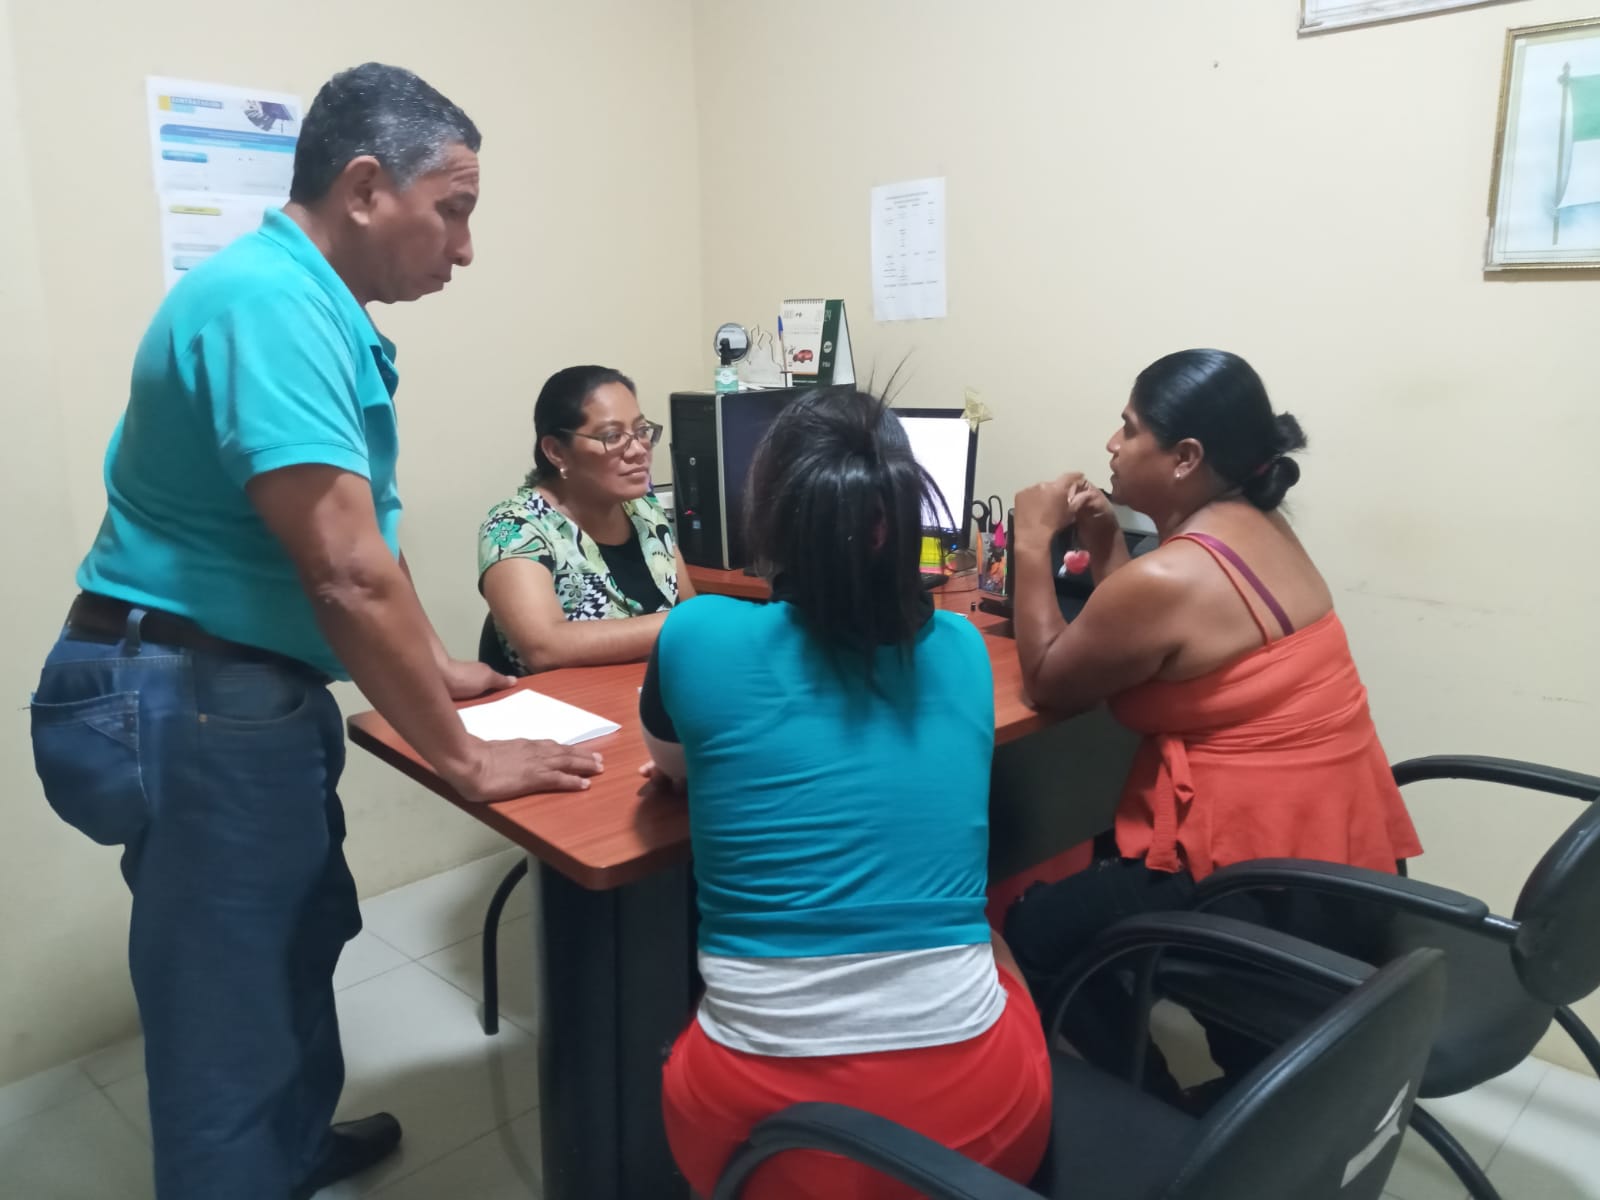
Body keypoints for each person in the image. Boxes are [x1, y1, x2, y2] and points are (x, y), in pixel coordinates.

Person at [28, 64, 603, 1200]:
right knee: (227, 1004)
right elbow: (343, 570)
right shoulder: (270, 305)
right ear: (365, 187)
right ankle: (247, 1167)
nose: (465, 247)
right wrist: (463, 759)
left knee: (296, 938)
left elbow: (362, 538)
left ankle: (289, 1153)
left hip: (230, 688)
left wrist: (436, 665)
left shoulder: (309, 304)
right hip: (190, 690)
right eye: (453, 209)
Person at [639, 388, 1052, 1199]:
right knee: (985, 935)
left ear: (771, 515)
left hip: (764, 1143)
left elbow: (672, 765)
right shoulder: (963, 648)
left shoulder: (697, 634)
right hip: (982, 1137)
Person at [1001, 349, 1421, 1079]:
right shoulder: (1256, 527)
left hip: (1259, 878)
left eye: (1130, 428)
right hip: (1336, 843)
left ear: (1186, 457)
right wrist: (1106, 546)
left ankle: (1152, 1107)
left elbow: (1046, 684)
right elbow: (1164, 641)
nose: (1111, 444)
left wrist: (1033, 539)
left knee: (1033, 931)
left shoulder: (1173, 575)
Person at [477, 365, 692, 674]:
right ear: (556, 451)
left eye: (641, 431)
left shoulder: (646, 510)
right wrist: (686, 623)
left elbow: (690, 614)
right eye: (612, 436)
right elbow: (544, 647)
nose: (638, 450)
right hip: (569, 701)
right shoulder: (515, 527)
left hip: (649, 690)